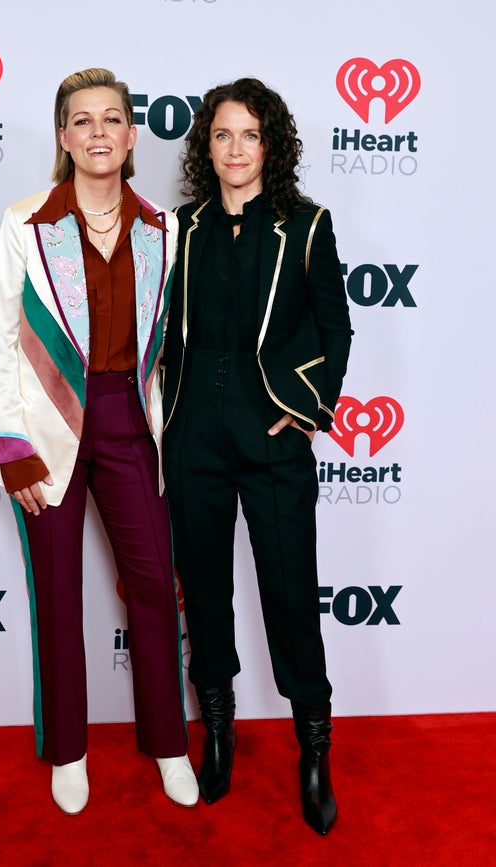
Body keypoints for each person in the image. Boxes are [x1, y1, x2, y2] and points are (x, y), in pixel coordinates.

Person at [0, 68, 198, 815]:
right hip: (47, 426)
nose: (98, 131)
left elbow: (176, 347)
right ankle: (67, 751)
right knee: (57, 592)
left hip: (130, 422)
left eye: (113, 118)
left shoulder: (165, 229)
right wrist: (11, 448)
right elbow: (0, 339)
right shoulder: (26, 221)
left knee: (153, 587)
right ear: (63, 136)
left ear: (132, 135)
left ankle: (169, 742)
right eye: (82, 120)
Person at [162, 77, 353, 835]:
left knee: (289, 592)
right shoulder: (179, 228)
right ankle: (218, 731)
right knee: (204, 595)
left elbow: (335, 329)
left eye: (250, 135)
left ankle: (314, 749)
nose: (235, 149)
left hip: (272, 433)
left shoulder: (305, 225)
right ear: (204, 147)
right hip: (193, 433)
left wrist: (305, 410)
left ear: (270, 144)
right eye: (221, 135)